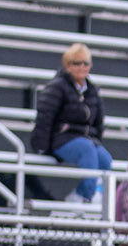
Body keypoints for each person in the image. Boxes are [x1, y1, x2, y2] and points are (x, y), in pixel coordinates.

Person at [30, 42, 111, 204]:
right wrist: (41, 147)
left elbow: (98, 122)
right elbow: (45, 118)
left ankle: (94, 195)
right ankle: (81, 198)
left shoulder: (92, 89)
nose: (82, 67)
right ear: (67, 65)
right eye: (77, 63)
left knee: (105, 159)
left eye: (86, 63)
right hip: (62, 139)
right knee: (87, 150)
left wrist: (97, 140)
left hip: (86, 140)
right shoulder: (57, 87)